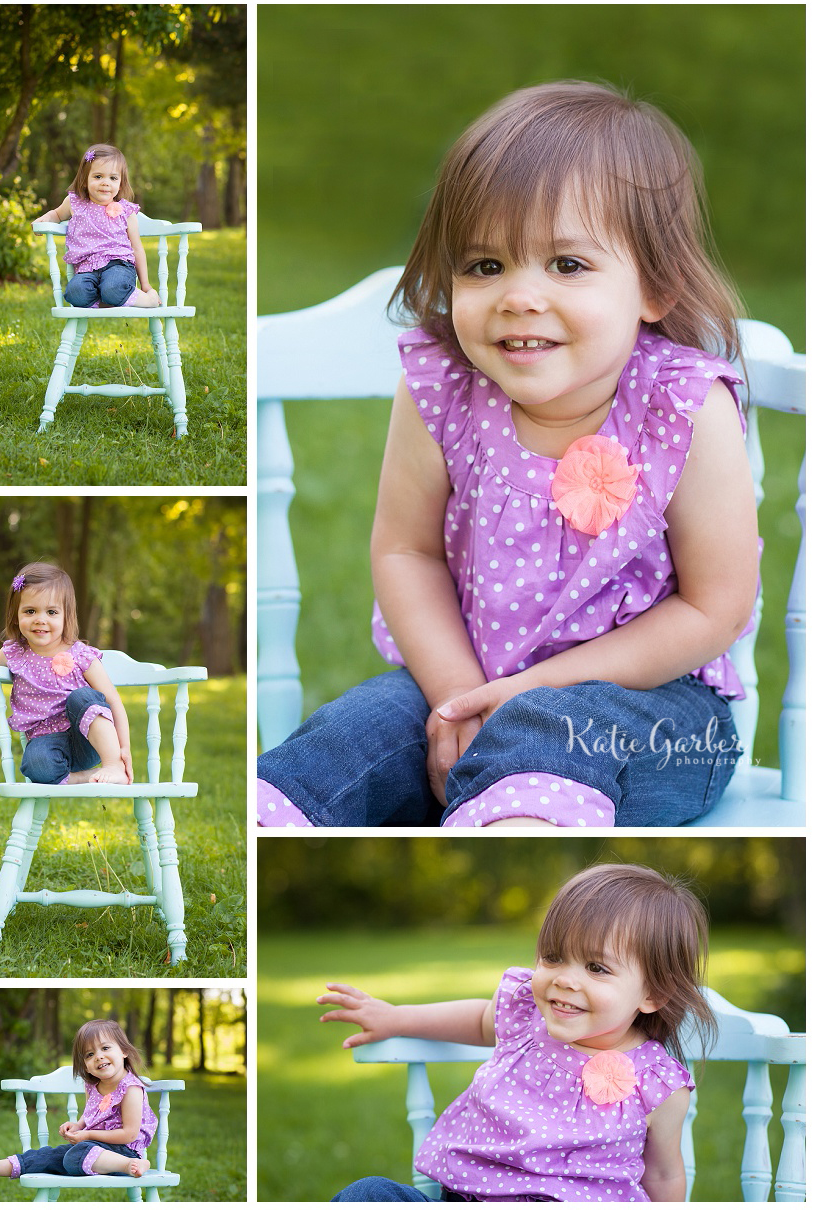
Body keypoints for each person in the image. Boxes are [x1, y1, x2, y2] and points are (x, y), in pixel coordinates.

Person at [258, 80, 758, 829]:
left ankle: (513, 828)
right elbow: (406, 553)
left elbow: (712, 608)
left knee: (549, 733)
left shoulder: (682, 405)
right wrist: (461, 698)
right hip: (460, 678)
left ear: (654, 286)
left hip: (655, 712)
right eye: (485, 266)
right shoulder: (443, 385)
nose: (519, 297)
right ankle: (266, 842)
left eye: (567, 265)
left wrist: (526, 696)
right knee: (349, 736)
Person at [320, 863, 715, 1202]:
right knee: (368, 1195)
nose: (564, 980)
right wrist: (396, 1018)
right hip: (465, 1197)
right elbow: (477, 1020)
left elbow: (662, 1175)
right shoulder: (526, 1015)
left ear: (653, 994)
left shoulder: (657, 1083)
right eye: (553, 957)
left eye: (596, 968)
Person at [0, 561, 133, 786]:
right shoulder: (14, 651)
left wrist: (123, 751)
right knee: (34, 765)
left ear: (67, 616)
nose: (40, 619)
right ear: (16, 615)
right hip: (46, 743)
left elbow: (113, 701)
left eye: (52, 611)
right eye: (30, 611)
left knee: (82, 697)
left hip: (88, 740)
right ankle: (80, 778)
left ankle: (113, 767)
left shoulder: (81, 655)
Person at [0, 1018, 157, 1184]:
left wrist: (86, 1135)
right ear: (85, 1066)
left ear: (124, 1051)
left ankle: (132, 1166)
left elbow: (129, 1134)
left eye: (105, 1047)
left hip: (124, 1153)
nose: (98, 1057)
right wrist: (78, 1125)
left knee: (73, 1156)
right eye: (89, 1054)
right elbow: (90, 1116)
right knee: (48, 1155)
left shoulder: (130, 1088)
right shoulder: (93, 1086)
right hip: (91, 1148)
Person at [33, 143, 160, 309]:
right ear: (85, 180)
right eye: (98, 176)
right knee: (75, 293)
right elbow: (56, 214)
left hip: (119, 264)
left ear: (120, 184)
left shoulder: (126, 210)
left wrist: (146, 285)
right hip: (86, 268)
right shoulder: (74, 203)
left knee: (113, 287)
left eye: (113, 178)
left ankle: (145, 300)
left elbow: (137, 249)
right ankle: (110, 300)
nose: (105, 183)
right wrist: (44, 219)